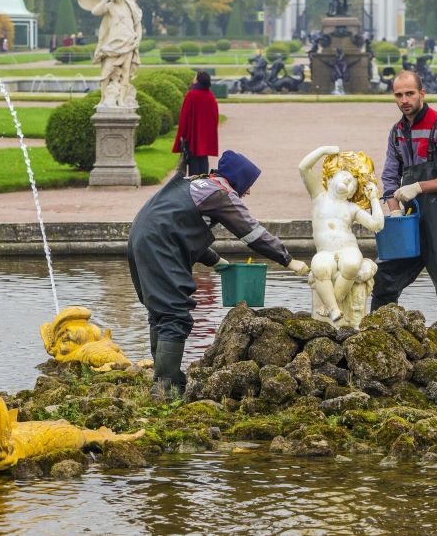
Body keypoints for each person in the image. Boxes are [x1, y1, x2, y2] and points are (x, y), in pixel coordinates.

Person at [128, 150, 310, 398]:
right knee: (173, 314)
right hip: (160, 243)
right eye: (247, 185)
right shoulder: (220, 193)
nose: (247, 192)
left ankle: (162, 384)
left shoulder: (198, 182)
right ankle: (166, 391)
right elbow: (251, 232)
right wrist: (287, 259)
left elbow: (179, 224)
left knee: (160, 311)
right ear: (238, 180)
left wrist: (215, 260)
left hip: (139, 237)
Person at [372, 70, 437, 344]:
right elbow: (390, 178)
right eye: (398, 95)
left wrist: (418, 186)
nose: (404, 100)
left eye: (409, 93)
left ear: (422, 94)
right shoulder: (397, 133)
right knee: (385, 279)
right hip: (410, 221)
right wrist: (392, 208)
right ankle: (375, 343)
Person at [299, 146, 383, 327]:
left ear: (353, 193)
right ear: (330, 178)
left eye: (353, 181)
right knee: (320, 267)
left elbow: (377, 225)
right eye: (344, 173)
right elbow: (303, 168)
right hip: (325, 252)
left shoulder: (351, 208)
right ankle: (334, 309)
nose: (348, 179)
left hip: (348, 249)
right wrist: (322, 151)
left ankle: (332, 305)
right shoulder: (318, 197)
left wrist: (374, 199)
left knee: (352, 264)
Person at [90, 0, 143, 108]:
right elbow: (95, 11)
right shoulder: (110, 6)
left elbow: (138, 25)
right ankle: (103, 99)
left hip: (129, 42)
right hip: (113, 44)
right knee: (106, 72)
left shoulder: (130, 5)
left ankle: (122, 100)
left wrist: (138, 40)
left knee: (125, 72)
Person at [172, 70, 218, 176]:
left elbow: (184, 117)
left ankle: (195, 188)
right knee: (204, 161)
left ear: (198, 80)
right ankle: (204, 186)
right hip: (205, 137)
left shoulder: (192, 95)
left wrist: (181, 135)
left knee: (193, 164)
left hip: (192, 137)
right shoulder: (211, 96)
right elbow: (214, 118)